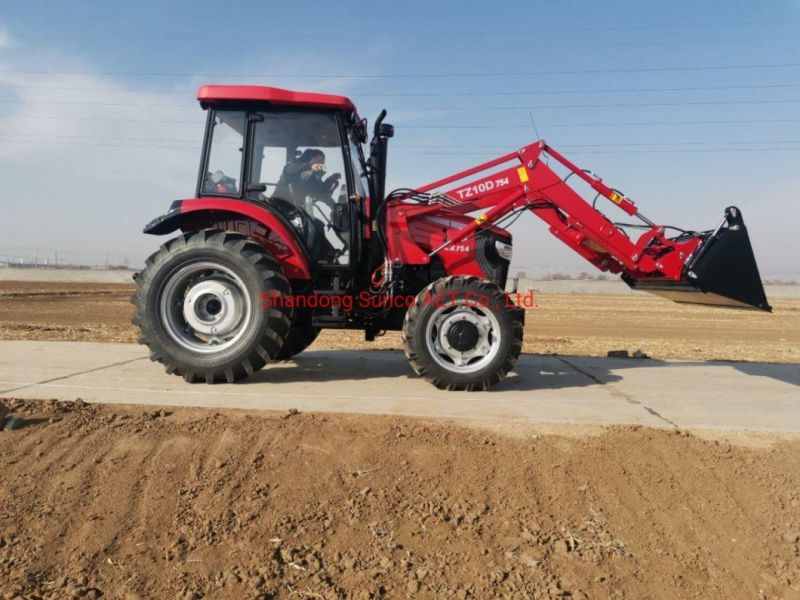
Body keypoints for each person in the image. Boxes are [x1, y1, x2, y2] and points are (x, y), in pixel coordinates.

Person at [273, 149, 341, 212]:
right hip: (277, 208)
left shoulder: (314, 178)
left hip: (295, 212)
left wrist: (330, 180)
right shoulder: (292, 168)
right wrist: (309, 166)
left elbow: (319, 193)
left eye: (322, 163)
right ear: (309, 159)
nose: (321, 165)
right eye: (318, 162)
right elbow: (294, 174)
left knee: (318, 224)